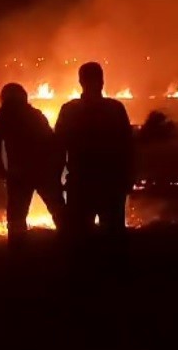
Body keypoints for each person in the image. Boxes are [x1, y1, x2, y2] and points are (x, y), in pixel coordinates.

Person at [54, 62, 134, 240]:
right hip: (111, 183)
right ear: (102, 81)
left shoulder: (69, 110)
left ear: (80, 81)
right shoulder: (115, 108)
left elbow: (58, 147)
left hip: (81, 184)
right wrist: (128, 178)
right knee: (113, 237)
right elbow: (128, 146)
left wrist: (56, 182)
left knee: (81, 240)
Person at [0, 82, 65, 241]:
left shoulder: (4, 116)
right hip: (43, 171)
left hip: (19, 173)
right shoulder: (35, 114)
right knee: (57, 209)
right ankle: (69, 244)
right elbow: (52, 141)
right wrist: (55, 170)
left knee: (16, 216)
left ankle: (17, 250)